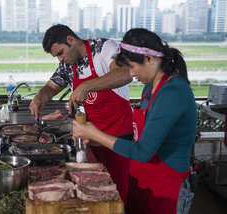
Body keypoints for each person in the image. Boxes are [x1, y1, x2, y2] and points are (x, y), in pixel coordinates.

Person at [73, 28, 197, 214]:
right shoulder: (149, 87)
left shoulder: (173, 92)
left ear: (149, 59)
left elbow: (143, 152)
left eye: (132, 67)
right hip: (142, 181)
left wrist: (95, 133)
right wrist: (98, 140)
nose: (130, 73)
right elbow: (142, 138)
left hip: (166, 188)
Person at [29, 24, 133, 204]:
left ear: (71, 40)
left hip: (117, 140)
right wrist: (39, 97)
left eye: (61, 53)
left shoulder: (103, 48)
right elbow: (49, 88)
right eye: (57, 57)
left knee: (116, 196)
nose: (60, 59)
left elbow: (125, 74)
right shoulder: (67, 66)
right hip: (90, 140)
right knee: (92, 195)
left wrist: (86, 86)